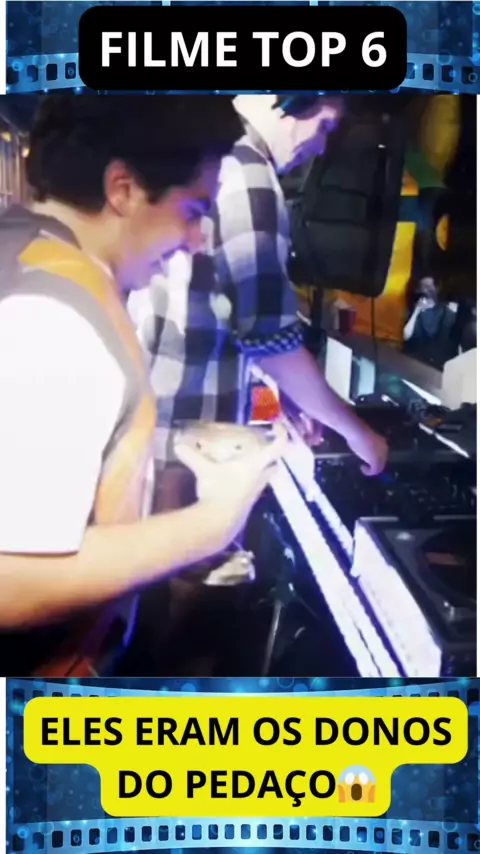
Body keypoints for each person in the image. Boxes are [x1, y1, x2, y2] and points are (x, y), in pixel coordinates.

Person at [0, 94, 287, 676]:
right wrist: (213, 524)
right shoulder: (55, 319)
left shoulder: (27, 247)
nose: (198, 239)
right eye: (192, 209)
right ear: (123, 189)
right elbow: (10, 581)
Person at [132, 94, 389, 516]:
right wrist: (357, 433)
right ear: (292, 99)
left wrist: (288, 394)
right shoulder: (249, 173)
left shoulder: (218, 157)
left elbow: (224, 310)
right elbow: (269, 337)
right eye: (324, 126)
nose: (321, 146)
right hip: (185, 449)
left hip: (162, 435)